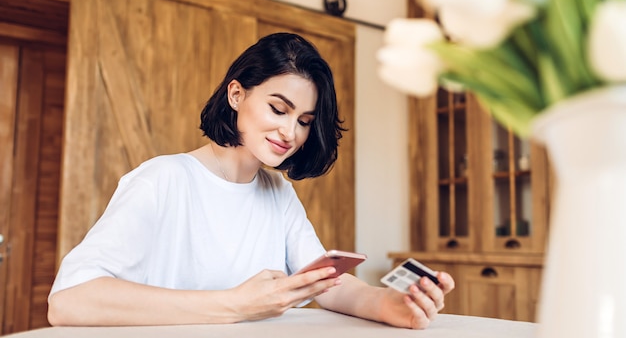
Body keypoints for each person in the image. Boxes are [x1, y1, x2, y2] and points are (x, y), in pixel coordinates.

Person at [47, 32, 455, 329]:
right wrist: (234, 305)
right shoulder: (163, 179)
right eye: (279, 109)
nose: (290, 132)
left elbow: (322, 285)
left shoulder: (278, 192)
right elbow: (69, 301)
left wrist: (392, 305)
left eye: (304, 121)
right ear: (237, 95)